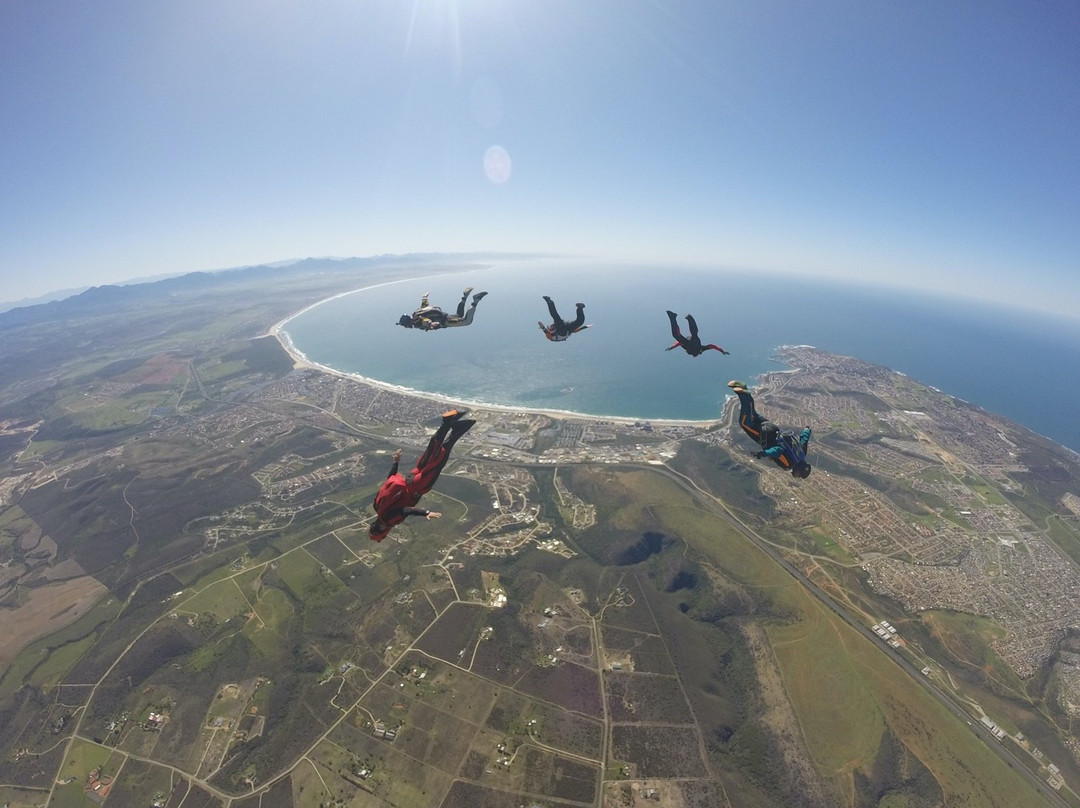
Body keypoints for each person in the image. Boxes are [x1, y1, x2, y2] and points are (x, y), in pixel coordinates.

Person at [369, 408, 475, 541]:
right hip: (410, 477)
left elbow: (406, 510)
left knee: (439, 460)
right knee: (430, 454)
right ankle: (447, 423)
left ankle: (456, 429)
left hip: (418, 486)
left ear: (383, 532)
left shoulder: (390, 520)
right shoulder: (378, 507)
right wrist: (396, 462)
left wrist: (426, 513)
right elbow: (389, 481)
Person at [727, 380, 812, 478]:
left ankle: (743, 390)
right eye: (799, 475)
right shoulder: (789, 464)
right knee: (744, 423)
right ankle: (745, 395)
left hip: (774, 429)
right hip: (765, 436)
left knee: (752, 415)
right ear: (799, 470)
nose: (796, 476)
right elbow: (777, 451)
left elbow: (804, 440)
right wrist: (762, 454)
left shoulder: (802, 453)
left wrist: (807, 430)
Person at [397, 288, 488, 330]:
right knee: (459, 315)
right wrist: (424, 297)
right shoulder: (416, 313)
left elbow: (426, 321)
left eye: (405, 325)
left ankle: (476, 300)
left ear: (407, 322)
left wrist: (432, 324)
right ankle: (464, 297)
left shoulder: (417, 322)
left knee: (466, 321)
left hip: (444, 321)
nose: (406, 327)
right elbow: (424, 306)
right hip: (444, 315)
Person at [665, 311, 729, 356]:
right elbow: (712, 346)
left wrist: (672, 347)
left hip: (689, 342)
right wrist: (722, 351)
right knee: (693, 335)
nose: (694, 355)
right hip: (692, 341)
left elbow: (678, 343)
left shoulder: (687, 348)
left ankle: (673, 317)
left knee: (676, 336)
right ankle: (689, 318)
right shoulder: (701, 349)